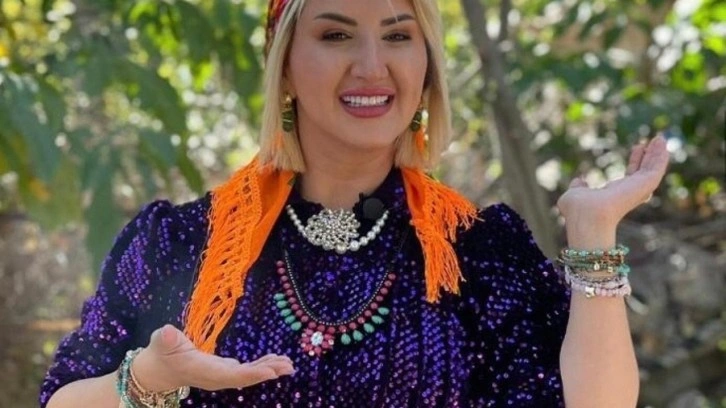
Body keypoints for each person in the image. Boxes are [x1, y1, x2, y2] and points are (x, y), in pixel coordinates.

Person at [40, 0, 669, 407]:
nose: (371, 66)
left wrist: (594, 233)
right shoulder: (178, 242)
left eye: (397, 36)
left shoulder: (479, 252)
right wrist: (146, 380)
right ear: (285, 65)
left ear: (426, 67)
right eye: (336, 34)